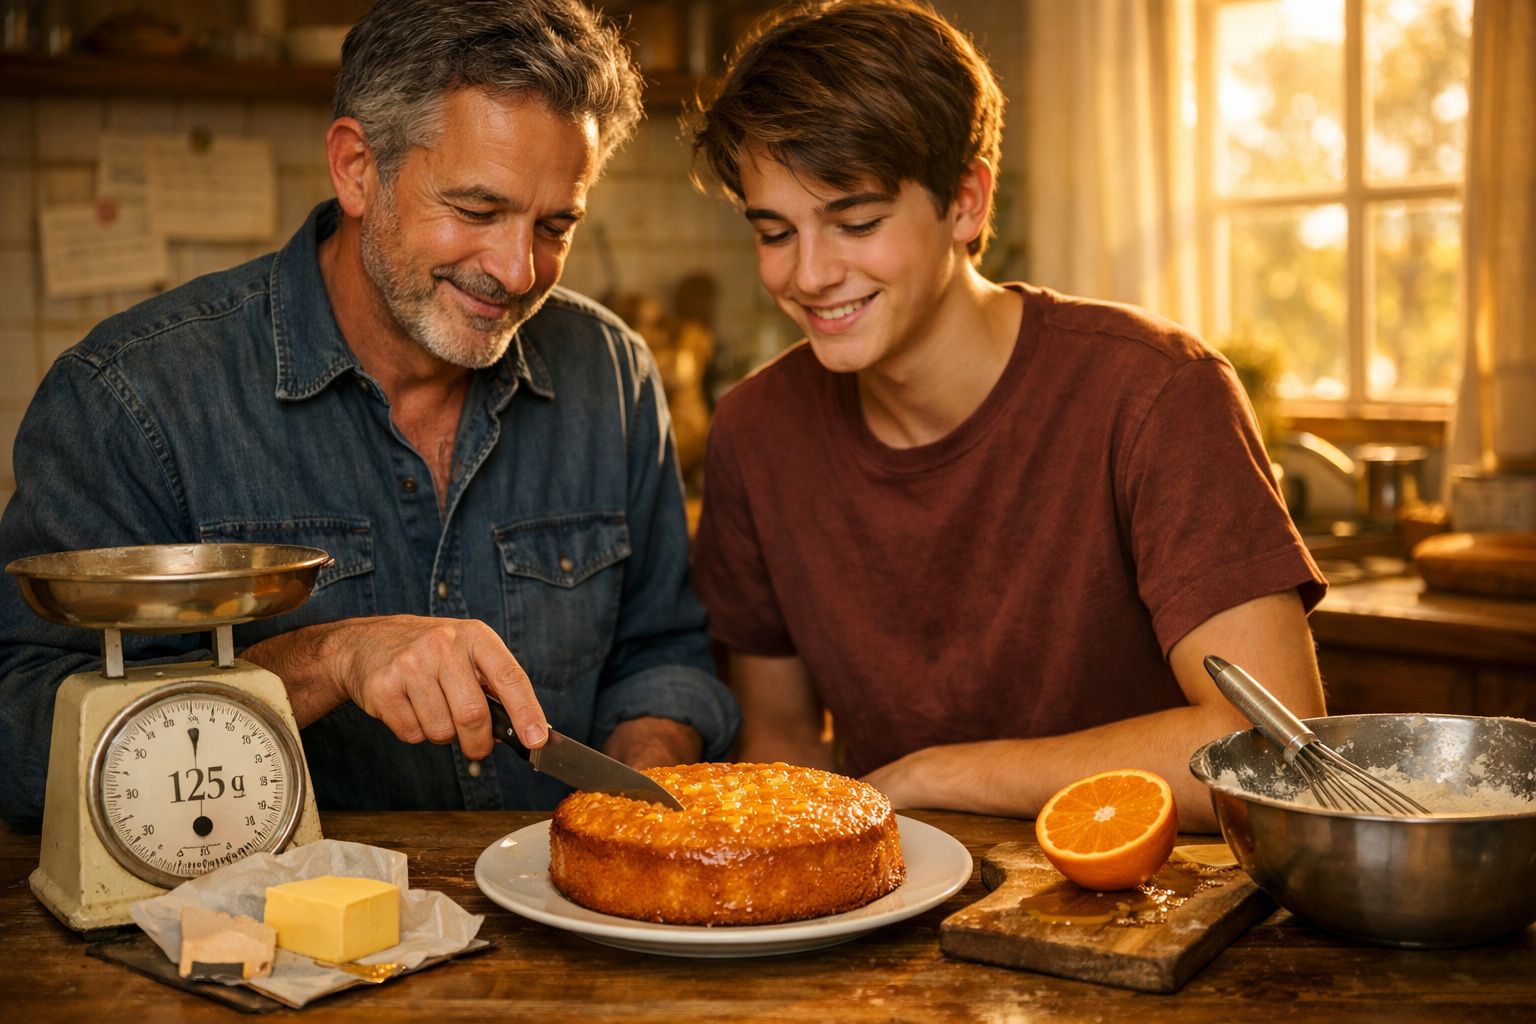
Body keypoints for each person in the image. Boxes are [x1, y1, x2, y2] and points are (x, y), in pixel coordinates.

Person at [0, 0, 739, 830]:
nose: (518, 270)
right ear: (356, 168)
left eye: (556, 224)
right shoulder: (133, 398)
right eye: (477, 210)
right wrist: (327, 658)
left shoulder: (612, 375)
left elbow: (662, 654)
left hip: (556, 904)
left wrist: (637, 786)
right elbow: (21, 737)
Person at [686, 0, 1326, 830]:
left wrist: (933, 774)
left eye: (857, 222)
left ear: (966, 202)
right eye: (775, 233)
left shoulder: (1158, 392)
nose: (808, 275)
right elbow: (781, 741)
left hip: (1150, 889)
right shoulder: (755, 432)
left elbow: (1274, 756)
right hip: (899, 891)